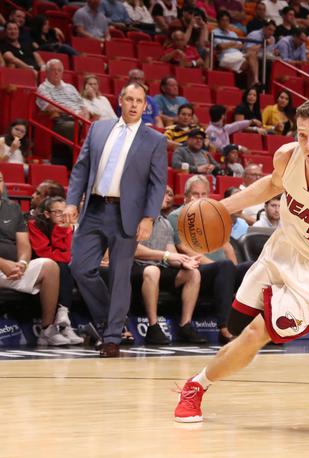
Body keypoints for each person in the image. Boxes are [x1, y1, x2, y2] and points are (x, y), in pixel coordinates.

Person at [173, 97, 309, 422]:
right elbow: (270, 186)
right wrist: (221, 207)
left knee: (255, 335)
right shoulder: (288, 156)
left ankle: (195, 387)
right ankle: (208, 374)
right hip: (280, 249)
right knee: (236, 327)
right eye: (302, 135)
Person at [65, 82, 167, 358]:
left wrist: (148, 218)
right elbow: (81, 167)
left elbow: (158, 184)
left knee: (121, 276)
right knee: (80, 268)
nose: (134, 105)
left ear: (145, 106)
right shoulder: (98, 128)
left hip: (128, 216)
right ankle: (113, 318)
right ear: (120, 100)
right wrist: (72, 201)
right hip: (94, 209)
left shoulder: (155, 140)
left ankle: (111, 337)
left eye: (140, 101)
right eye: (130, 99)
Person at [167, 175, 251, 344]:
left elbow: (227, 248)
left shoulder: (213, 215)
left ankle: (260, 326)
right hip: (196, 270)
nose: (200, 198)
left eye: (204, 194)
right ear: (186, 196)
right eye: (196, 194)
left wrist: (232, 271)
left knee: (252, 267)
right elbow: (183, 248)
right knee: (225, 267)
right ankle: (225, 327)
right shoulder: (177, 216)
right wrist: (220, 267)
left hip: (222, 270)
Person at [0, 171, 70, 346]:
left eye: (0, 180)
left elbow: (24, 244)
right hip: (3, 267)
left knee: (50, 266)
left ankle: (47, 330)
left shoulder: (13, 208)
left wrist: (22, 263)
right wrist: (3, 264)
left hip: (13, 269)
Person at [131, 190, 206, 345]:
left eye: (170, 194)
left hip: (159, 268)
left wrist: (183, 261)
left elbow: (171, 254)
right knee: (153, 271)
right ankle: (153, 326)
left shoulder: (165, 223)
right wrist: (167, 256)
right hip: (134, 267)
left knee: (193, 274)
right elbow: (134, 250)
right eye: (163, 193)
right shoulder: (135, 218)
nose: (167, 197)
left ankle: (185, 324)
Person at [27, 196, 83, 344]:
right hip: (38, 266)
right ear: (47, 214)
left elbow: (69, 253)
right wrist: (60, 231)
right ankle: (62, 318)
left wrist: (63, 230)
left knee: (67, 267)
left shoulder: (66, 226)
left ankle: (63, 322)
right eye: (58, 212)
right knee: (62, 267)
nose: (63, 216)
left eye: (64, 212)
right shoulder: (34, 225)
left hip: (60, 266)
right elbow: (44, 253)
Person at [36, 59, 91, 169]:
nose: (56, 73)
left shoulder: (70, 87)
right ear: (46, 72)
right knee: (72, 127)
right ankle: (83, 163)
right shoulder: (43, 88)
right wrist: (75, 114)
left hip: (79, 119)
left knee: (97, 127)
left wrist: (84, 115)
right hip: (61, 121)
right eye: (53, 70)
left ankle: (91, 159)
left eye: (59, 70)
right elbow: (50, 107)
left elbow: (83, 106)